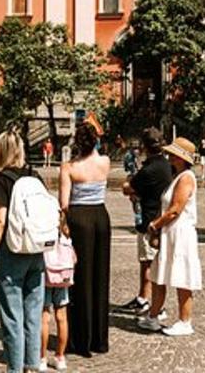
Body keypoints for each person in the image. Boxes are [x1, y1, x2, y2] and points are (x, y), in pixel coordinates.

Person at [0, 132, 45, 373]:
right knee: (33, 313)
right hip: (37, 250)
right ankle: (32, 365)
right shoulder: (35, 175)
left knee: (12, 316)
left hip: (12, 251)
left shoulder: (1, 179)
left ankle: (15, 369)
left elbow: (0, 220)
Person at [139, 136, 201, 337]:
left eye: (173, 154)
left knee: (182, 276)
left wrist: (155, 224)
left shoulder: (185, 178)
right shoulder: (179, 176)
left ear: (181, 157)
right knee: (159, 274)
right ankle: (153, 316)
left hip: (180, 233)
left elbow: (175, 209)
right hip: (171, 232)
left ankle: (185, 320)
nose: (169, 157)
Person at [59, 122, 110, 356]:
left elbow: (64, 204)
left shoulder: (69, 167)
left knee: (79, 279)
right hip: (101, 217)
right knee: (99, 276)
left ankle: (81, 338)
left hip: (79, 219)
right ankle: (98, 338)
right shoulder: (105, 162)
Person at [121, 127, 173, 314]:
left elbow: (127, 187)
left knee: (148, 262)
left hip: (149, 219)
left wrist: (130, 184)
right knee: (149, 261)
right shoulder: (166, 165)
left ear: (145, 146)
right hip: (158, 217)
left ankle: (149, 302)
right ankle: (144, 297)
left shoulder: (149, 169)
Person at [39, 261, 69, 373]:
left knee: (44, 316)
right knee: (62, 316)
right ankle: (60, 357)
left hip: (45, 271)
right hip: (62, 271)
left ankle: (42, 358)